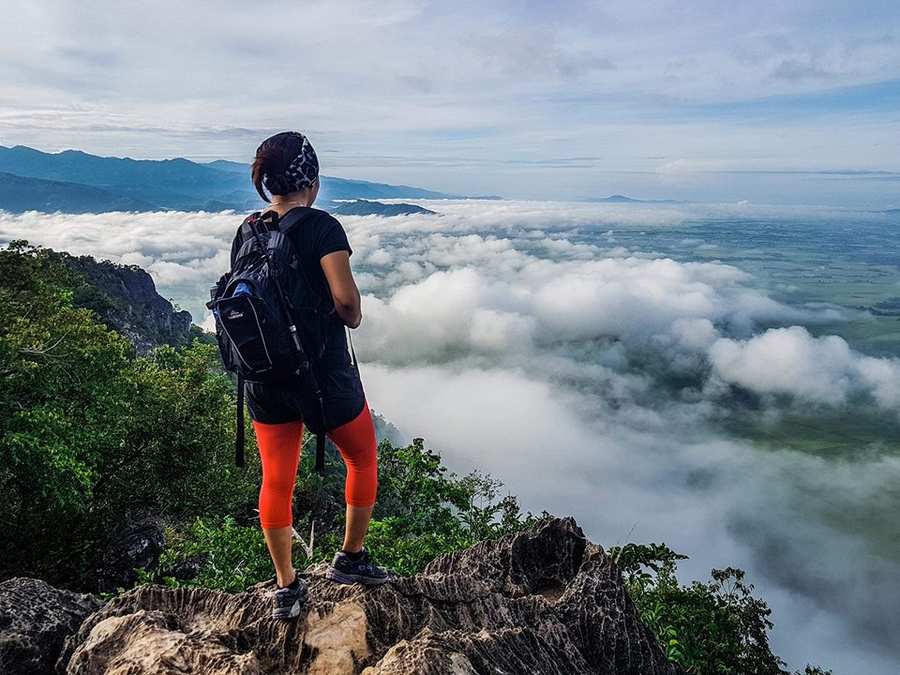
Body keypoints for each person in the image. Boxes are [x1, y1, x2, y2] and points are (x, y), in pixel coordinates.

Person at [231, 131, 388, 620]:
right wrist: (349, 315)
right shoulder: (322, 227)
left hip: (262, 376)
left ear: (267, 182)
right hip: (321, 376)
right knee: (362, 457)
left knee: (276, 478)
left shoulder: (248, 229)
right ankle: (350, 558)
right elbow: (347, 304)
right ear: (313, 182)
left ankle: (287, 587)